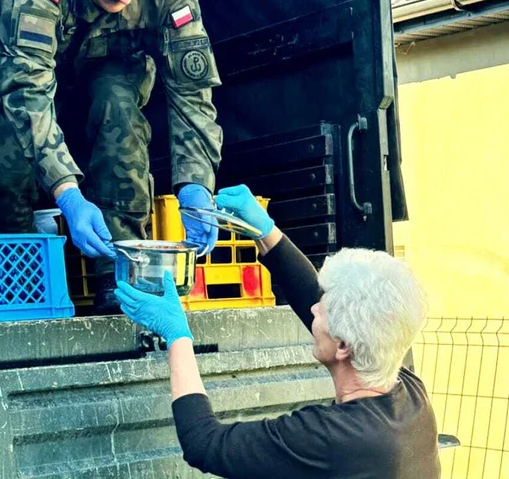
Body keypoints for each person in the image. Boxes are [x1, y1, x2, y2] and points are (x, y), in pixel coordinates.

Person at [0, 0, 223, 311]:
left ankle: (119, 273)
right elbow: (25, 87)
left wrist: (196, 185)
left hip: (111, 59)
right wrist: (68, 193)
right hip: (27, 62)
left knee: (120, 110)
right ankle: (14, 277)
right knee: (7, 133)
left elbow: (191, 91)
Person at [115, 185, 440, 478]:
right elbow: (317, 300)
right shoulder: (410, 396)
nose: (313, 308)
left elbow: (204, 444)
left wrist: (177, 335)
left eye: (322, 310)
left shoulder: (331, 438)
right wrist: (265, 230)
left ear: (343, 345)